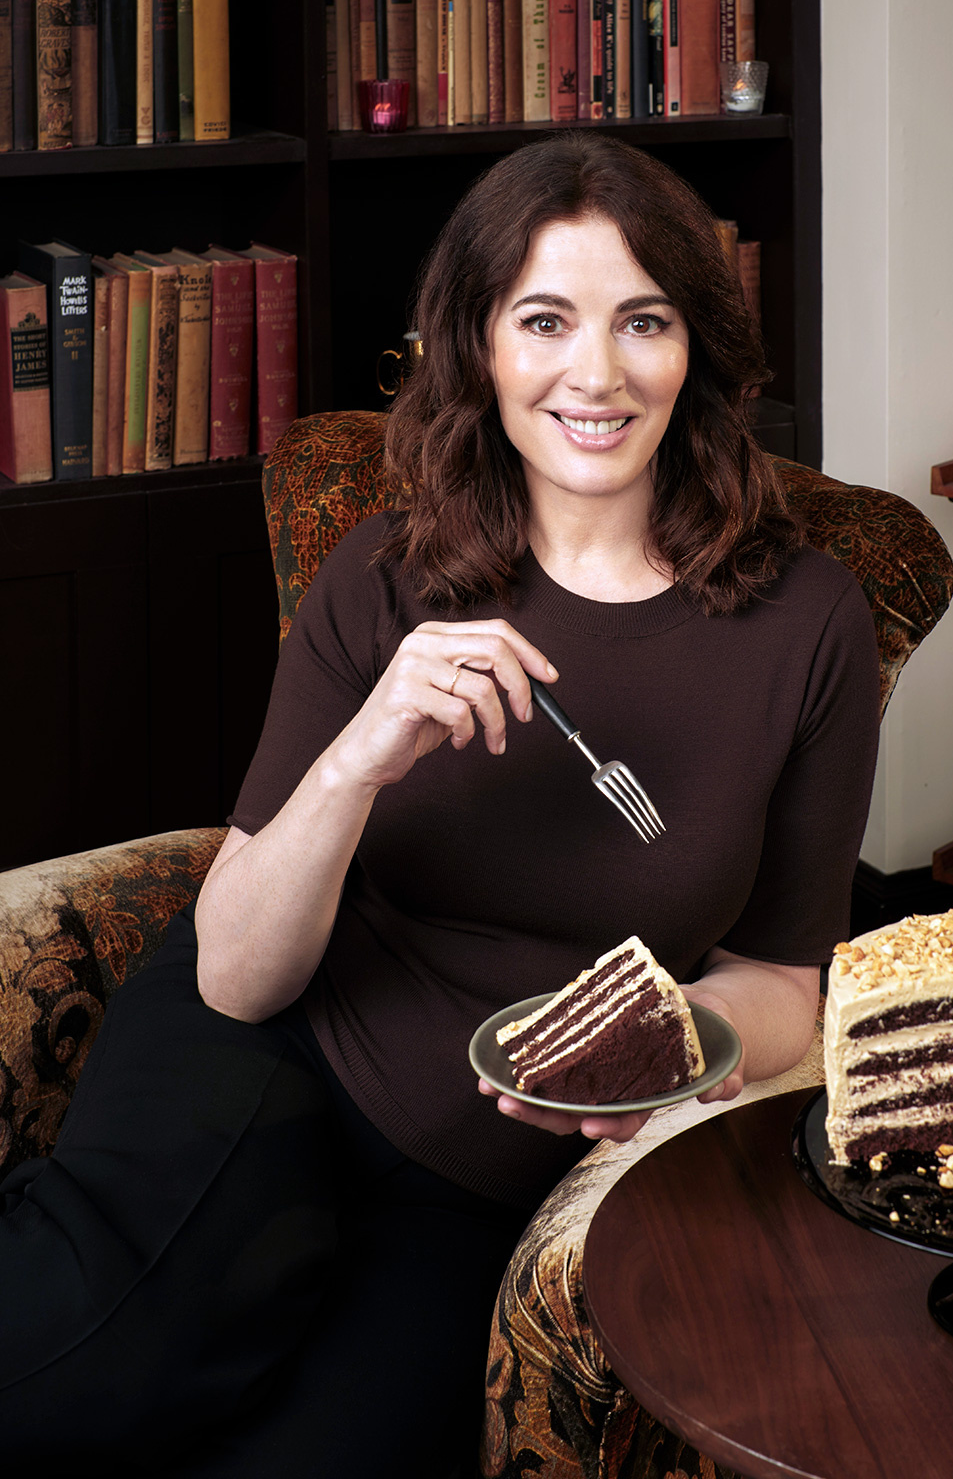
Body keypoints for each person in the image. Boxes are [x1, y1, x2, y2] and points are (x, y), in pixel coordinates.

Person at [0, 133, 880, 1478]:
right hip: (276, 1059)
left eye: (642, 320)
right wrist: (361, 753)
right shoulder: (390, 574)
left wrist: (665, 1044)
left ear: (696, 344)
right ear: (478, 345)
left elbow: (781, 978)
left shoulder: (808, 622)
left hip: (476, 1184)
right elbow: (237, 973)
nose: (596, 373)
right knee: (86, 1362)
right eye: (545, 320)